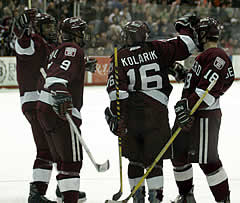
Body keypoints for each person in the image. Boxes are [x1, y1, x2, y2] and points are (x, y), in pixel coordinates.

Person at [104, 14, 200, 203]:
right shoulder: (157, 48)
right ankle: (156, 197)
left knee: (134, 160)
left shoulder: (118, 56)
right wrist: (185, 28)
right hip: (156, 114)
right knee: (154, 160)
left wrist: (116, 115)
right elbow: (188, 45)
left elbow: (117, 92)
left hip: (131, 115)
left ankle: (137, 198)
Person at [171, 17, 235, 203]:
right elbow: (201, 83)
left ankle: (223, 199)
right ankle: (186, 196)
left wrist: (187, 106)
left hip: (204, 115)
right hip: (190, 113)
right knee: (178, 156)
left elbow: (208, 91)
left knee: (208, 161)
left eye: (197, 33)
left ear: (203, 35)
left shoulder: (217, 56)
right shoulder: (208, 56)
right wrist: (182, 74)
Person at [37, 17, 90, 203]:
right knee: (72, 162)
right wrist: (60, 91)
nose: (84, 36)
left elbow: (55, 71)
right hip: (59, 107)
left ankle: (64, 194)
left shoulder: (58, 51)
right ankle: (69, 198)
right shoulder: (73, 49)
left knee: (61, 157)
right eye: (81, 32)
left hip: (44, 108)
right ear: (74, 33)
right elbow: (56, 78)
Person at [13, 9, 58, 203]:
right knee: (46, 149)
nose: (51, 29)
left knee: (55, 148)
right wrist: (21, 29)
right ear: (37, 28)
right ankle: (37, 193)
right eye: (46, 26)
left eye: (52, 25)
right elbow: (24, 46)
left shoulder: (49, 45)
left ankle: (63, 187)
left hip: (47, 102)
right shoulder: (34, 42)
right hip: (35, 103)